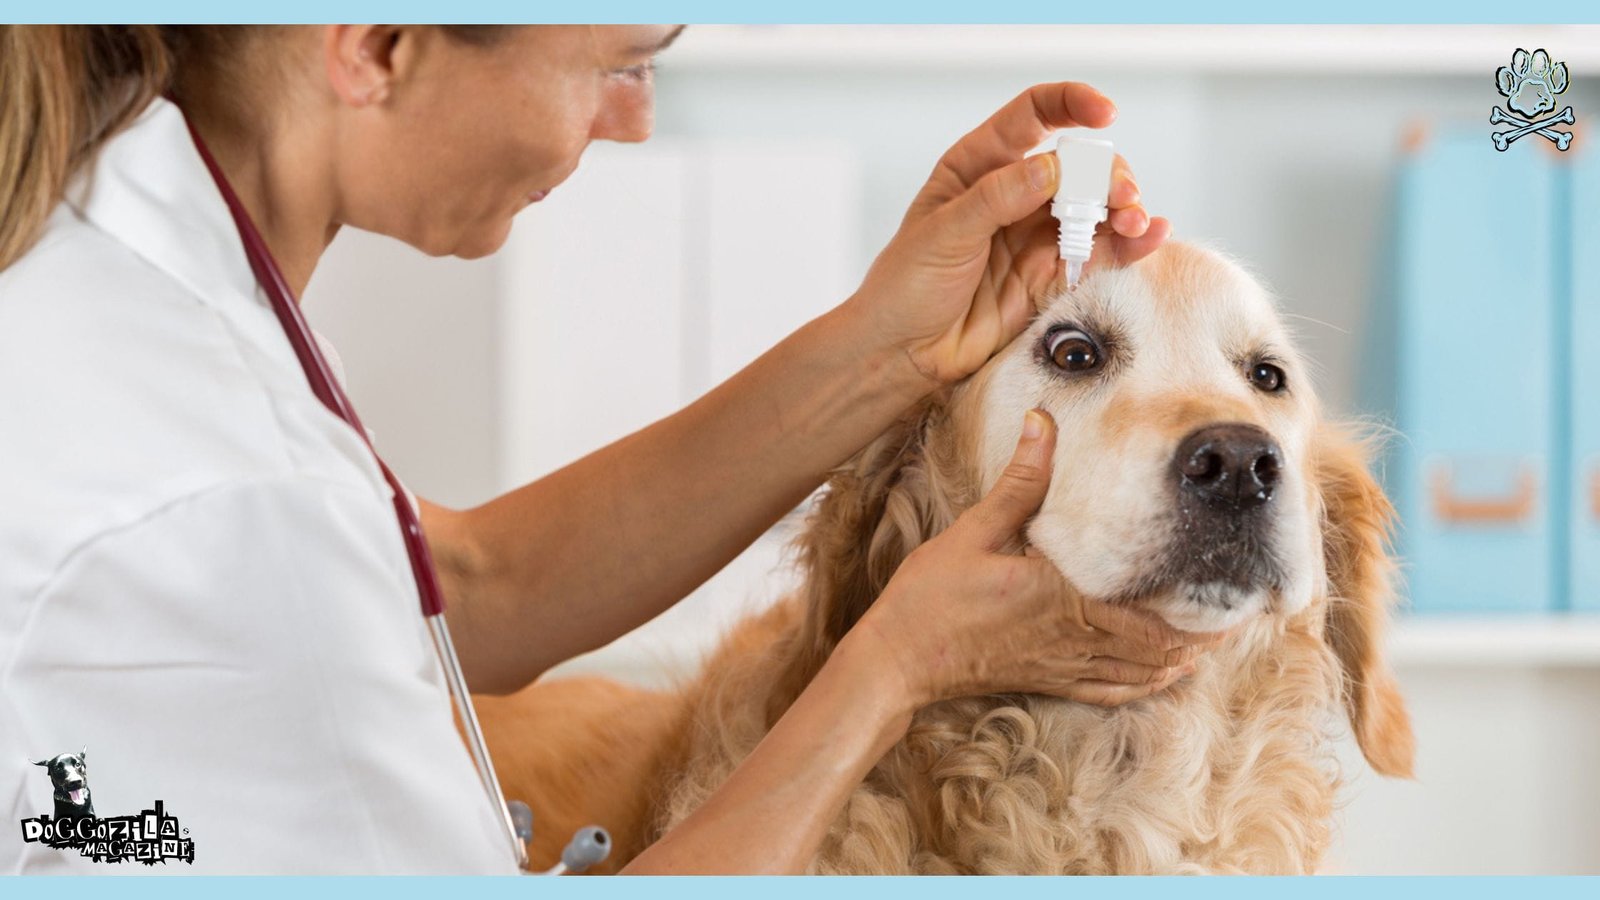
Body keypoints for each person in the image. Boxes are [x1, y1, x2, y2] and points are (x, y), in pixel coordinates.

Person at [0, 25, 1218, 874]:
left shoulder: (108, 261)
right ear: (374, 46)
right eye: (620, 65)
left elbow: (465, 585)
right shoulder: (221, 500)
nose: (633, 124)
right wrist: (888, 667)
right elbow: (314, 568)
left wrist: (887, 349)